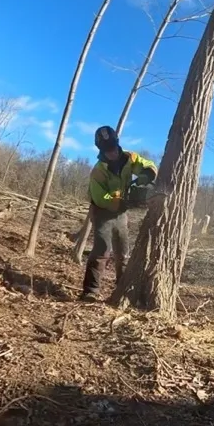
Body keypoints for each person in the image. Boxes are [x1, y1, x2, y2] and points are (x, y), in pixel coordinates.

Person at [81, 125, 158, 301]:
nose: (112, 152)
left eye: (113, 147)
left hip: (121, 212)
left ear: (117, 143)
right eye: (107, 150)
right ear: (101, 150)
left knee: (123, 252)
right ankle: (90, 291)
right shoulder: (99, 170)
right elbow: (99, 197)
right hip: (102, 211)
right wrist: (118, 199)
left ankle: (122, 289)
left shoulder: (130, 157)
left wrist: (146, 174)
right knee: (102, 250)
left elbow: (148, 165)